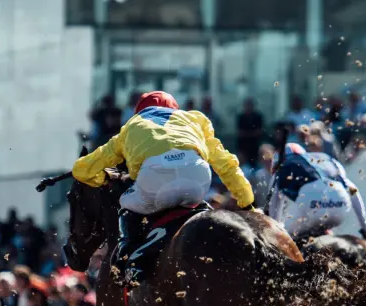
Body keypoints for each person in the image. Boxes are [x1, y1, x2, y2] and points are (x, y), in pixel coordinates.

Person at [71, 90, 254, 285]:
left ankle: (127, 259)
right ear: (174, 109)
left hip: (155, 179)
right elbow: (227, 165)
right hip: (197, 177)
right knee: (197, 206)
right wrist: (247, 203)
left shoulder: (131, 127)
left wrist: (103, 177)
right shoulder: (193, 120)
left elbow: (82, 170)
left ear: (140, 111)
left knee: (125, 202)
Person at [267, 143, 366, 243]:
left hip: (312, 204)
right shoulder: (325, 159)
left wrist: (276, 234)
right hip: (341, 204)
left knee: (282, 238)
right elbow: (353, 190)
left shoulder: (281, 169)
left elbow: (274, 215)